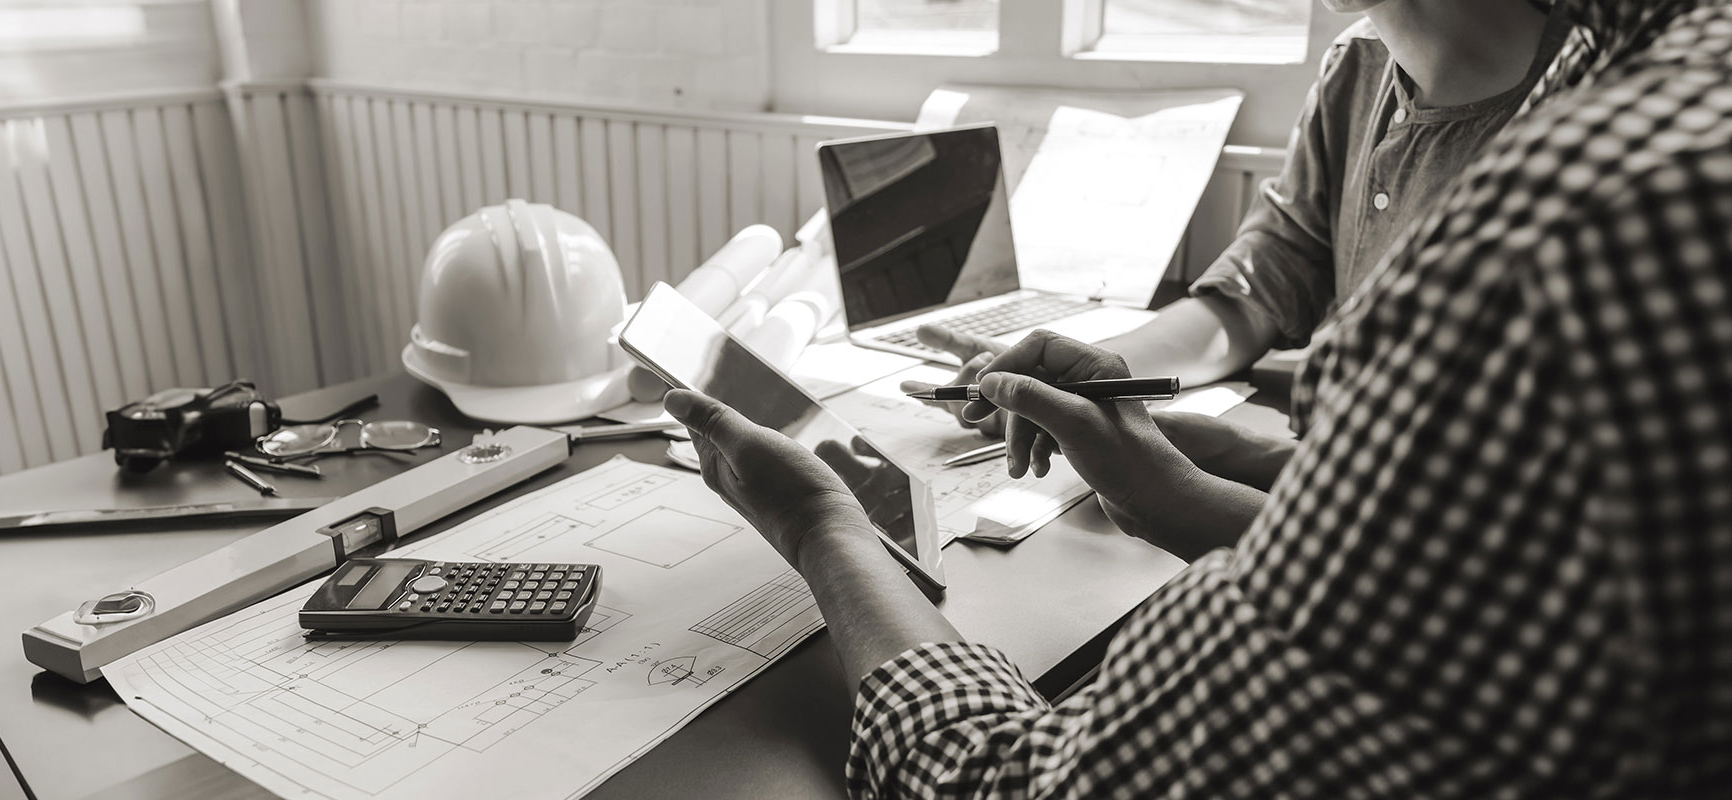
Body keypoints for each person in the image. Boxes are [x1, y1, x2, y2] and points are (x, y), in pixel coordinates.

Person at [663, 0, 1732, 795]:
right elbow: (1463, 557)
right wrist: (1171, 470)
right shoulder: (1642, 87)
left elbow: (1025, 782)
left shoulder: (1569, 219)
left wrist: (823, 528)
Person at [907, 0, 1583, 555]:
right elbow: (1259, 287)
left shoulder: (1606, 126)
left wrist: (1177, 498)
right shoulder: (1360, 63)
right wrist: (1084, 386)